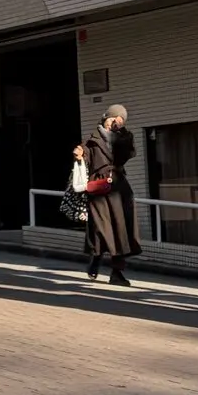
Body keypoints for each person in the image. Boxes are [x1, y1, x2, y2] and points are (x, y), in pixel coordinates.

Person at [75, 104, 138, 287]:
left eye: (118, 120)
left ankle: (117, 272)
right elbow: (84, 153)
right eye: (112, 119)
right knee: (99, 229)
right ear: (105, 118)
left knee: (121, 230)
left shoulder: (124, 138)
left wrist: (121, 132)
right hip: (98, 188)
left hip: (118, 189)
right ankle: (95, 258)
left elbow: (128, 153)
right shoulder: (91, 140)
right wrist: (79, 154)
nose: (113, 123)